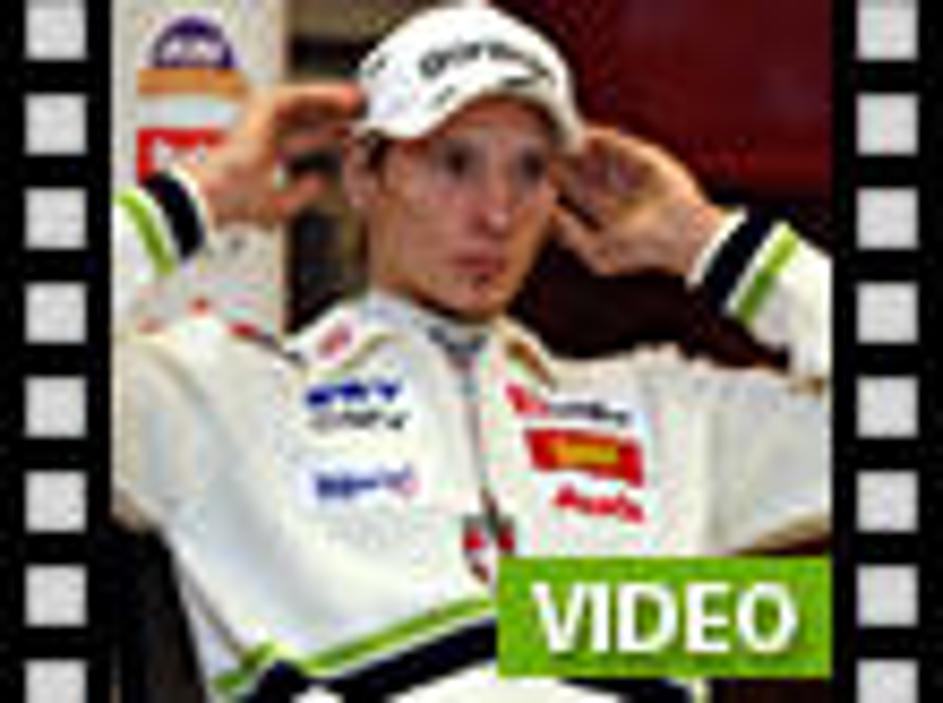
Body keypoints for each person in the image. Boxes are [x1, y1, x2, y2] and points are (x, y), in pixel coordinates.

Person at [112, 3, 830, 701]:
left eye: (530, 170)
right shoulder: (229, 395)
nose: (496, 213)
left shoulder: (663, 410)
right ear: (363, 174)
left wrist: (708, 242)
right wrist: (199, 196)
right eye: (454, 163)